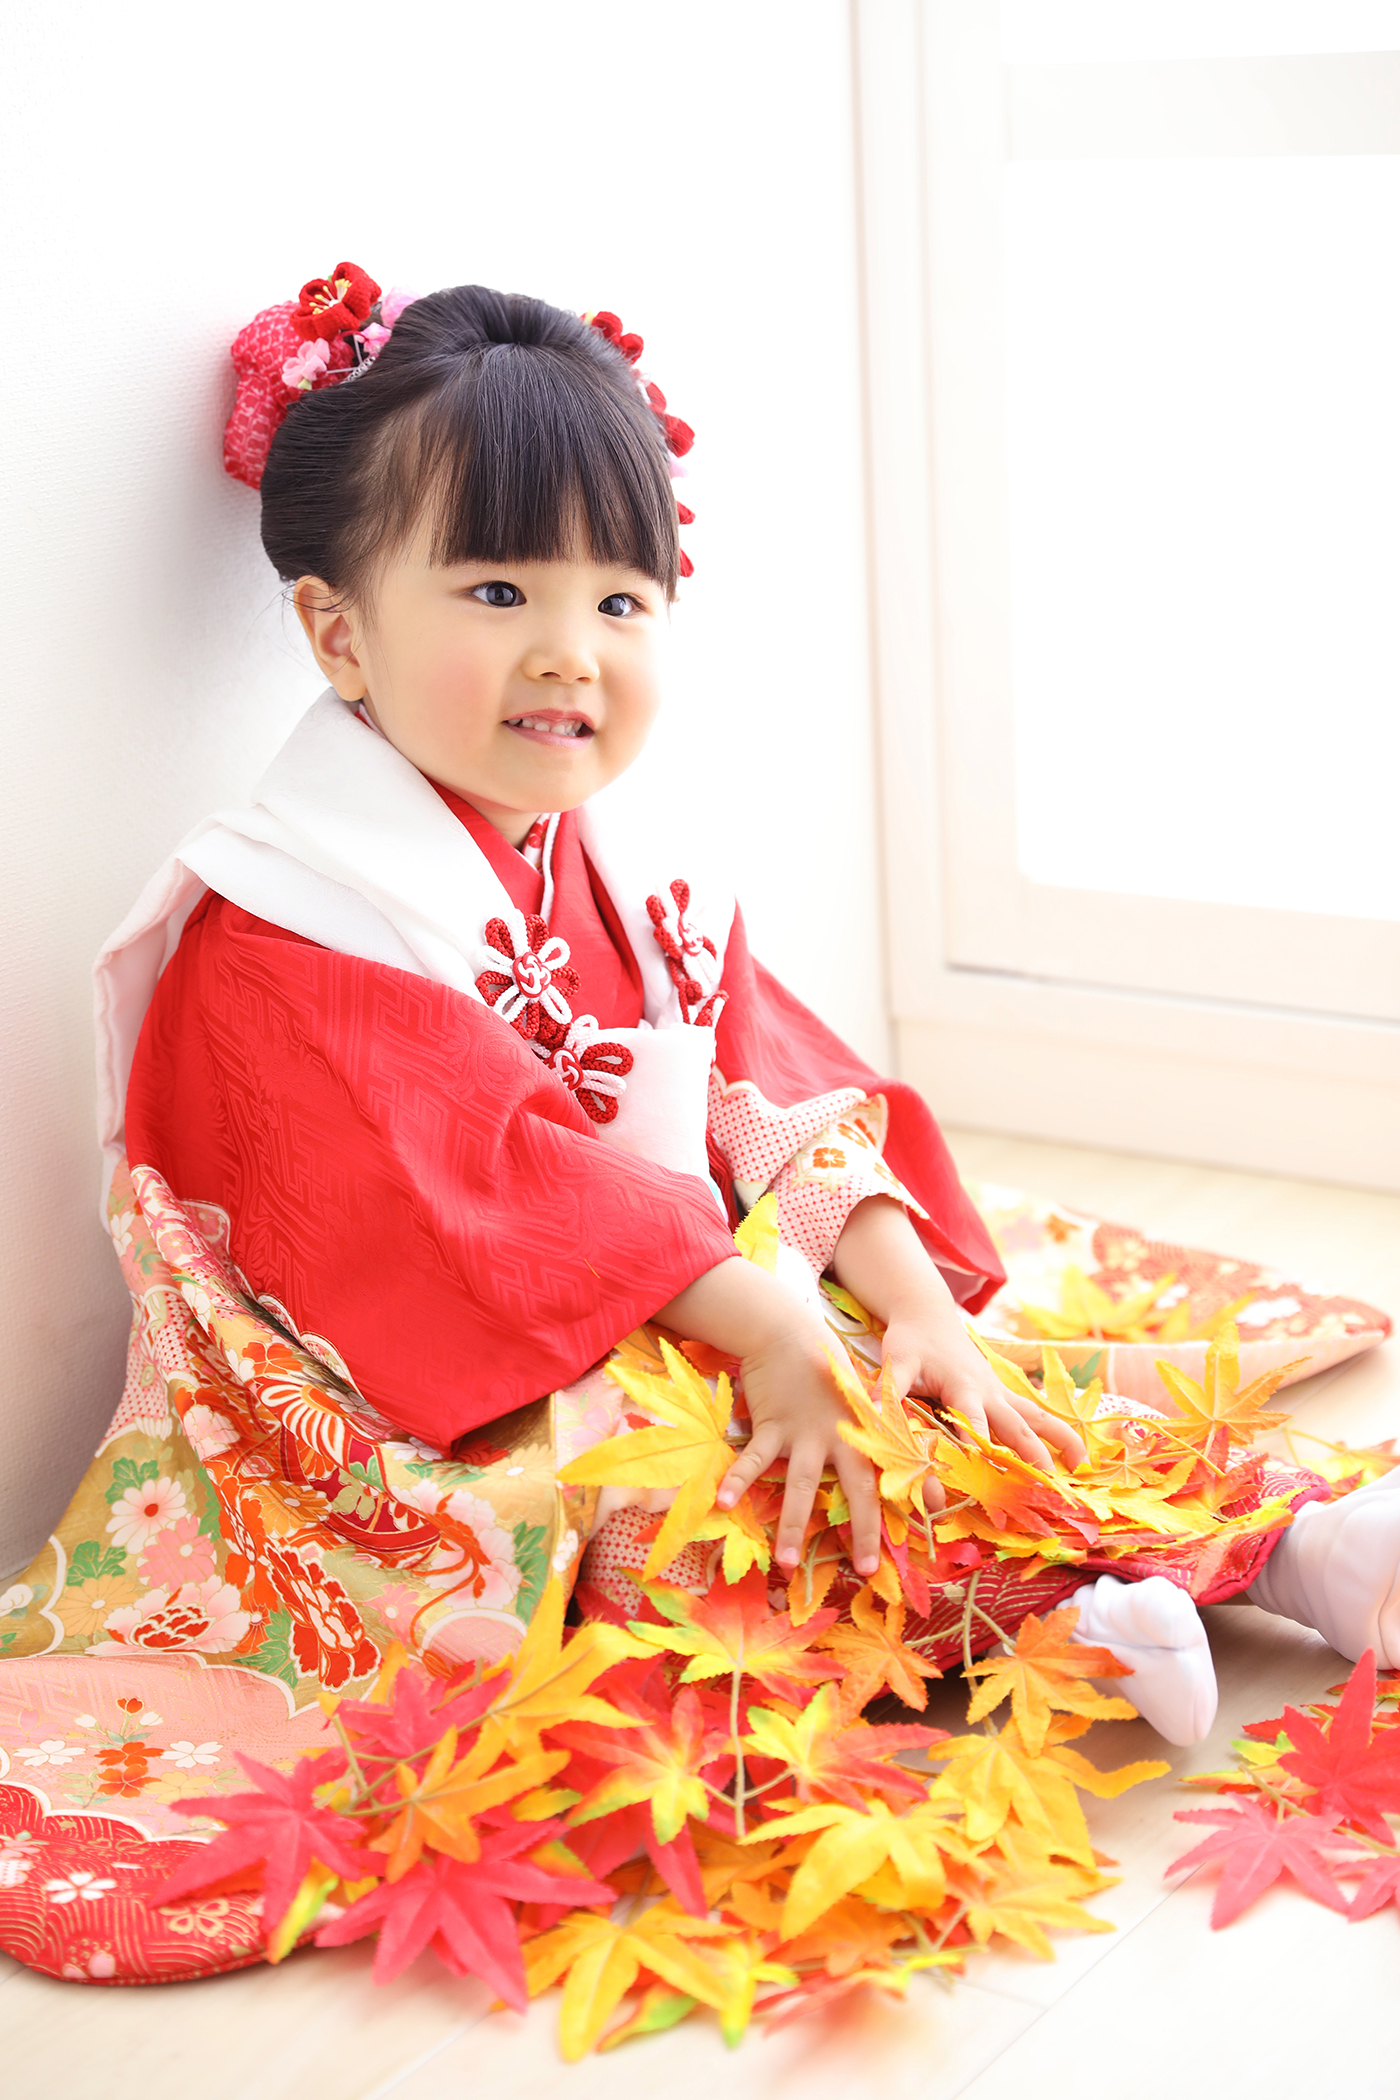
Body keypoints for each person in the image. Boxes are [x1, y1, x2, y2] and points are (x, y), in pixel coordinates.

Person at [75, 271, 1397, 1748]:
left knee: (937, 1355)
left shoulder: (628, 865)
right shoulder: (289, 927)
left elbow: (766, 1091)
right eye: (499, 593)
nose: (570, 650)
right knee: (663, 1488)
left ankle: (1285, 1549)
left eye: (618, 601)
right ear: (337, 633)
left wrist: (901, 1298)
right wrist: (760, 1317)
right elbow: (485, 1202)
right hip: (451, 1375)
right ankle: (1058, 1617)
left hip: (668, 1278)